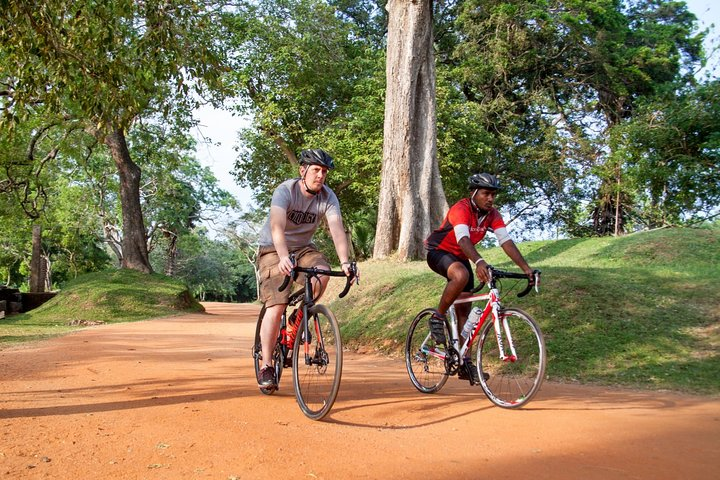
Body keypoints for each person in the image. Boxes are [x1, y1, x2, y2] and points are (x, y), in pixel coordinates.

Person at [255, 148, 354, 391]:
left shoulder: (328, 197)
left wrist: (345, 262)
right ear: (303, 170)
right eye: (316, 170)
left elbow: (337, 229)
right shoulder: (285, 191)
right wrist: (282, 257)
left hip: (303, 249)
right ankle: (267, 365)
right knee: (277, 304)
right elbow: (277, 227)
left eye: (324, 172)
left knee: (322, 273)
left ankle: (298, 316)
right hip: (273, 249)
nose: (321, 175)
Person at [424, 173, 535, 384]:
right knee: (461, 275)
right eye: (486, 193)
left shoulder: (493, 215)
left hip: (461, 257)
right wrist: (479, 261)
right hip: (439, 251)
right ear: (474, 192)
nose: (490, 198)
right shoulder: (461, 209)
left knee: (464, 313)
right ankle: (437, 317)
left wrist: (526, 269)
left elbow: (506, 241)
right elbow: (463, 239)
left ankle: (464, 362)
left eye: (493, 194)